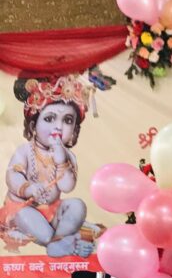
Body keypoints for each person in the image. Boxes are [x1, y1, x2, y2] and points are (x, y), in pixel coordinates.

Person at [0, 75, 101, 257]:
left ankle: (60, 240)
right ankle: (58, 242)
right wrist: (29, 188)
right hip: (22, 209)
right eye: (49, 119)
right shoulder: (25, 151)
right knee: (25, 215)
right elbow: (12, 176)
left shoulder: (68, 156)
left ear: (74, 132)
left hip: (52, 211)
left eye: (67, 120)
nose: (58, 127)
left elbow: (67, 186)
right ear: (33, 126)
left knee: (77, 205)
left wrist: (61, 160)